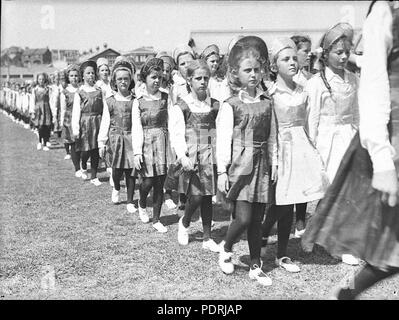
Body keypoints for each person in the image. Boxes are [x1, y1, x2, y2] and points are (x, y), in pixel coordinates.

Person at [302, 0, 399, 299]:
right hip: (389, 136)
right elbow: (374, 84)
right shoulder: (385, 11)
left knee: (393, 245)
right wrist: (382, 159)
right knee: (390, 242)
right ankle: (343, 294)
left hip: (362, 134)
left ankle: (343, 295)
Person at [259, 38, 329, 273]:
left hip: (301, 148)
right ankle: (263, 233)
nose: (291, 62)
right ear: (273, 65)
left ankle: (282, 254)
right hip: (282, 151)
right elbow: (271, 130)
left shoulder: (304, 90)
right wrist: (275, 160)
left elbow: (309, 123)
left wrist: (314, 150)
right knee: (282, 203)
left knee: (294, 200)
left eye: (293, 58)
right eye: (284, 59)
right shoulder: (271, 94)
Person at [216, 36, 277, 286]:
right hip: (240, 166)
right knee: (243, 218)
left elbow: (272, 137)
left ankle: (255, 265)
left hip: (262, 166)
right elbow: (222, 139)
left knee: (257, 220)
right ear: (236, 74)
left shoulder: (266, 103)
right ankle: (227, 248)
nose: (253, 74)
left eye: (256, 69)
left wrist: (274, 164)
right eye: (247, 70)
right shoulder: (231, 105)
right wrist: (221, 171)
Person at [305, 22, 361, 266]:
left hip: (349, 136)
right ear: (326, 54)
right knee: (331, 192)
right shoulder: (317, 83)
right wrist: (314, 149)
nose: (344, 56)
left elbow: (357, 114)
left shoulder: (353, 79)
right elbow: (312, 120)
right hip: (327, 140)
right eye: (338, 52)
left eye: (346, 52)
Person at [169, 59, 220, 252]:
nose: (202, 82)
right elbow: (176, 134)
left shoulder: (214, 106)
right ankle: (185, 221)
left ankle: (207, 236)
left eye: (206, 78)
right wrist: (182, 156)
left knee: (207, 196)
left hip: (210, 153)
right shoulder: (182, 106)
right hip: (192, 155)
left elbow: (218, 131)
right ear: (189, 80)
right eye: (198, 78)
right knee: (196, 196)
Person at [132, 57, 170, 233]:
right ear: (145, 78)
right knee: (147, 181)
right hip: (146, 142)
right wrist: (137, 152)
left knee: (160, 182)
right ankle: (141, 203)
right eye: (153, 77)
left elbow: (171, 122)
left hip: (162, 141)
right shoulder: (138, 100)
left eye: (159, 77)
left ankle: (156, 218)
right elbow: (137, 127)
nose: (157, 81)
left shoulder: (165, 97)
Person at [98, 57, 137, 213]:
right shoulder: (110, 101)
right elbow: (105, 122)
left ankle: (130, 200)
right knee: (117, 169)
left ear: (130, 81)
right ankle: (116, 187)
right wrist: (102, 142)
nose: (123, 82)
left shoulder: (135, 101)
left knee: (131, 170)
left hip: (131, 137)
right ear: (114, 81)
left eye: (126, 79)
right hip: (116, 138)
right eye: (119, 79)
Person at [72, 60, 104, 186]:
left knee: (95, 150)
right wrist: (76, 128)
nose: (91, 75)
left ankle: (94, 176)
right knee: (86, 149)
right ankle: (83, 164)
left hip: (97, 121)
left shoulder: (99, 90)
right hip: (85, 122)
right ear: (83, 76)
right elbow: (76, 112)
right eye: (88, 73)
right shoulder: (80, 92)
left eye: (92, 73)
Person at [60, 64, 82, 177]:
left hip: (80, 118)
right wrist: (61, 122)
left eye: (76, 75)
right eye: (72, 76)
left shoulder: (81, 89)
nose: (74, 78)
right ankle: (77, 167)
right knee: (73, 143)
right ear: (68, 77)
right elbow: (63, 108)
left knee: (81, 143)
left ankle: (82, 164)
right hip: (69, 119)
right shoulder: (65, 91)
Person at [30, 73, 52, 151]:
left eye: (42, 79)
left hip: (46, 108)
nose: (41, 81)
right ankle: (39, 141)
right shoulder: (35, 90)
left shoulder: (48, 89)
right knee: (40, 126)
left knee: (46, 126)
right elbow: (32, 100)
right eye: (40, 79)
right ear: (37, 80)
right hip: (38, 108)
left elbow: (51, 100)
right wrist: (32, 111)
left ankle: (45, 143)